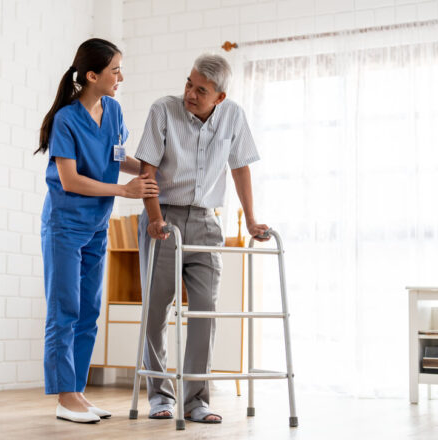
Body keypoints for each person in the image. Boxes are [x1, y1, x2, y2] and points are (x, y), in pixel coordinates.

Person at [135, 54, 269, 424]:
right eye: (189, 84)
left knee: (205, 310)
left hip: (207, 222)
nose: (190, 94)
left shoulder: (233, 116)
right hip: (163, 216)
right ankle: (160, 395)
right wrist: (155, 218)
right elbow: (147, 169)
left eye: (201, 90)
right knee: (156, 310)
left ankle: (196, 400)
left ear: (219, 97)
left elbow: (240, 167)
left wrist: (252, 221)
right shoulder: (164, 110)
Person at [36, 38, 158, 424]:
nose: (120, 76)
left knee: (89, 310)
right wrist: (124, 190)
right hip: (65, 225)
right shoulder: (66, 120)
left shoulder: (114, 110)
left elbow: (115, 156)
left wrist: (151, 170)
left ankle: (78, 393)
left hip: (96, 227)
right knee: (64, 310)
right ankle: (64, 397)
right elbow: (70, 181)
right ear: (92, 75)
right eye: (114, 70)